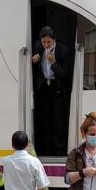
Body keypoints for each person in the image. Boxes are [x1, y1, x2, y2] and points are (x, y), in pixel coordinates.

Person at [31, 26, 71, 156]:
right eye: (44, 42)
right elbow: (34, 67)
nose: (46, 45)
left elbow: (65, 74)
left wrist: (53, 63)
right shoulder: (38, 46)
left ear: (54, 40)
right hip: (44, 87)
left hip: (57, 87)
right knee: (45, 119)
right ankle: (47, 149)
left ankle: (59, 150)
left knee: (58, 120)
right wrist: (33, 60)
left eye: (48, 42)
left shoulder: (63, 51)